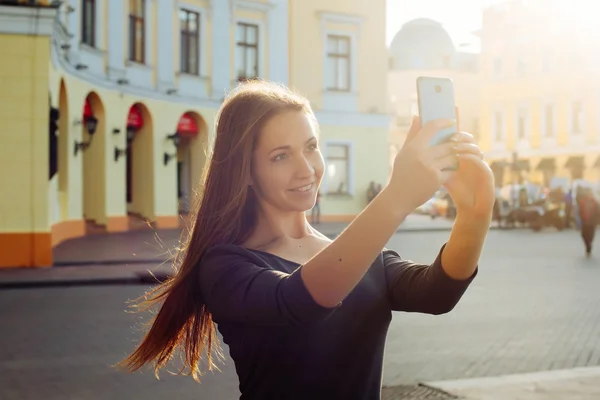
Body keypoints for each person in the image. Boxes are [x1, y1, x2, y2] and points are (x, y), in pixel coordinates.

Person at [117, 81, 495, 399]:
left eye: (311, 147)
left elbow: (437, 293)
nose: (306, 169)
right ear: (246, 171)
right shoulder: (225, 266)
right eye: (281, 156)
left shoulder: (353, 253)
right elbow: (301, 301)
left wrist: (475, 213)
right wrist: (397, 196)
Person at [578, 188, 598, 257]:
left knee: (590, 236)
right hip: (585, 222)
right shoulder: (583, 202)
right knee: (583, 235)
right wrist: (581, 218)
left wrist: (597, 221)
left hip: (592, 222)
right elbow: (580, 211)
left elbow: (598, 213)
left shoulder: (595, 203)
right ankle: (588, 245)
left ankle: (589, 246)